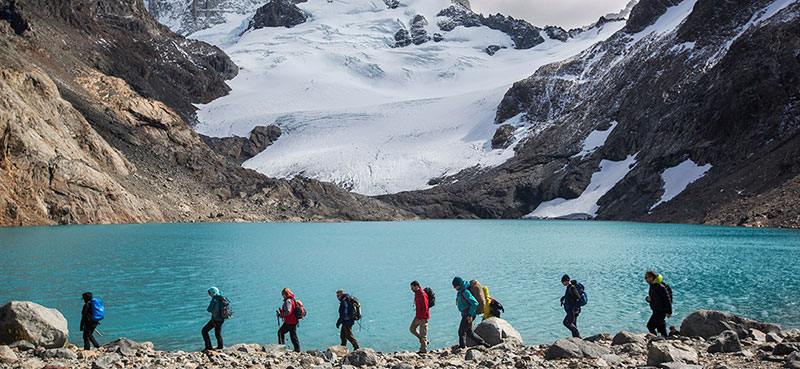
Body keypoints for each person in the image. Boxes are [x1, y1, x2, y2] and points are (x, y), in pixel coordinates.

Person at [452, 277, 490, 349]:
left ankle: (462, 348)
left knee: (461, 331)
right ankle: (484, 344)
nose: (454, 288)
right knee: (469, 332)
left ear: (459, 284)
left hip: (468, 314)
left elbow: (475, 303)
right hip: (466, 314)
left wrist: (470, 315)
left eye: (455, 286)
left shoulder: (465, 292)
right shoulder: (460, 291)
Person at [645, 271, 673, 337]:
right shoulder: (653, 285)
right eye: (645, 278)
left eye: (647, 277)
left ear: (652, 277)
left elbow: (667, 299)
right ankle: (665, 338)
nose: (646, 279)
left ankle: (655, 338)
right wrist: (647, 299)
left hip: (660, 310)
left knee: (650, 326)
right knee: (660, 326)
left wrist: (669, 312)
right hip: (656, 309)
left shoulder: (660, 286)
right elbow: (655, 298)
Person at [276, 288, 301, 352]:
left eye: (282, 294)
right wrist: (282, 312)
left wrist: (280, 315)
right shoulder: (292, 299)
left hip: (290, 321)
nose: (282, 296)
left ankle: (281, 348)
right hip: (294, 320)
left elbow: (288, 312)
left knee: (280, 332)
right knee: (293, 335)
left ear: (284, 294)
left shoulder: (288, 301)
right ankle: (297, 349)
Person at [409, 281, 429, 353]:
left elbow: (425, 308)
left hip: (423, 317)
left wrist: (422, 317)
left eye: (412, 287)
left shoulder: (423, 295)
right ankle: (424, 341)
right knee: (412, 329)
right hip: (417, 316)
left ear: (417, 286)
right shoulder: (417, 294)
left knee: (423, 334)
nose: (411, 289)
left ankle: (423, 350)